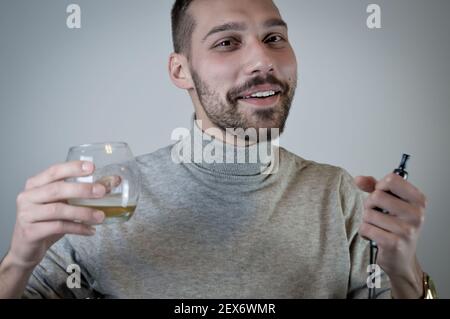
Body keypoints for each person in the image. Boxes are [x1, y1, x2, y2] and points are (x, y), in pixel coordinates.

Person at [0, 0, 432, 298]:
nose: (263, 61)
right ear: (180, 70)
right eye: (227, 43)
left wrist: (404, 271)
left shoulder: (339, 195)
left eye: (275, 38)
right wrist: (18, 261)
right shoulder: (110, 199)